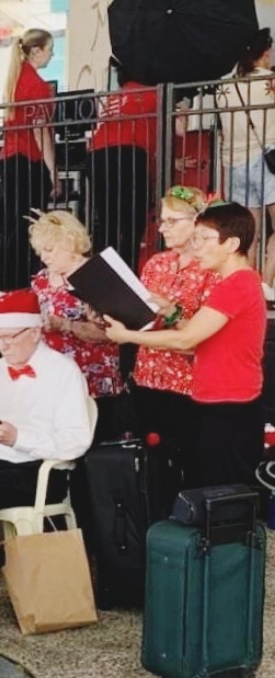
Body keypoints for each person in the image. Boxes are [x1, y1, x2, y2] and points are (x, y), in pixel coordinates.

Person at [106, 202, 266, 487]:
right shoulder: (234, 283)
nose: (198, 247)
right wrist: (171, 311)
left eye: (205, 239)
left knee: (224, 492)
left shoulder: (236, 284)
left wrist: (128, 337)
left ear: (231, 244)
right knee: (209, 487)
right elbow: (195, 334)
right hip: (216, 400)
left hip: (229, 403)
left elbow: (187, 339)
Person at [0, 289, 93, 541]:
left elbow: (76, 442)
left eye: (10, 337)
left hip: (37, 470)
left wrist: (19, 439)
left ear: (35, 332)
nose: (3, 346)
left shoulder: (64, 371)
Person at [130, 186, 217, 486]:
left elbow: (203, 334)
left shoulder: (211, 268)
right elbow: (139, 315)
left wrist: (170, 311)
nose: (163, 227)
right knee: (152, 470)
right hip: (147, 376)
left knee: (189, 465)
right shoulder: (156, 263)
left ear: (197, 222)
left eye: (172, 220)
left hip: (187, 383)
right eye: (161, 221)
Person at [28, 209, 124, 438]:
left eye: (49, 249)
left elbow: (111, 332)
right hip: (53, 375)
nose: (44, 256)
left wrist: (66, 326)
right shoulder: (42, 279)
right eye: (40, 250)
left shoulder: (95, 275)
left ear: (69, 242)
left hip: (92, 377)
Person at [0, 28, 58, 289]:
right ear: (36, 50)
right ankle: (25, 282)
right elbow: (40, 130)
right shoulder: (36, 85)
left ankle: (9, 281)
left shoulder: (16, 80)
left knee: (13, 226)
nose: (51, 56)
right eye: (49, 50)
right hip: (27, 160)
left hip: (9, 158)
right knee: (31, 225)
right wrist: (52, 170)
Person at [87, 58, 158, 265]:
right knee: (133, 224)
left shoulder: (114, 97)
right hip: (128, 154)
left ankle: (102, 278)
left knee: (107, 222)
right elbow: (173, 129)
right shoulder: (152, 92)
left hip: (98, 155)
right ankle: (129, 278)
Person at [218, 28, 275, 280]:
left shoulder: (224, 87)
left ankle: (246, 287)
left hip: (234, 164)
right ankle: (266, 285)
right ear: (266, 52)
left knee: (248, 236)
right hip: (266, 161)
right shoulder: (269, 82)